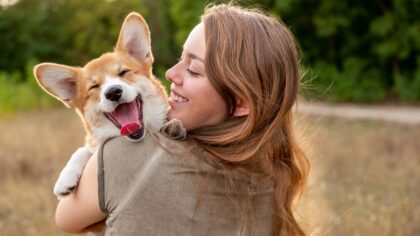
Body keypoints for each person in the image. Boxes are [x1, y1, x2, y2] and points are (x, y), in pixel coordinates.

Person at [55, 4, 309, 236]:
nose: (169, 74)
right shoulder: (272, 176)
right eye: (180, 58)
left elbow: (65, 219)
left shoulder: (126, 157)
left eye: (193, 69)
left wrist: (90, 157)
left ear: (241, 102)